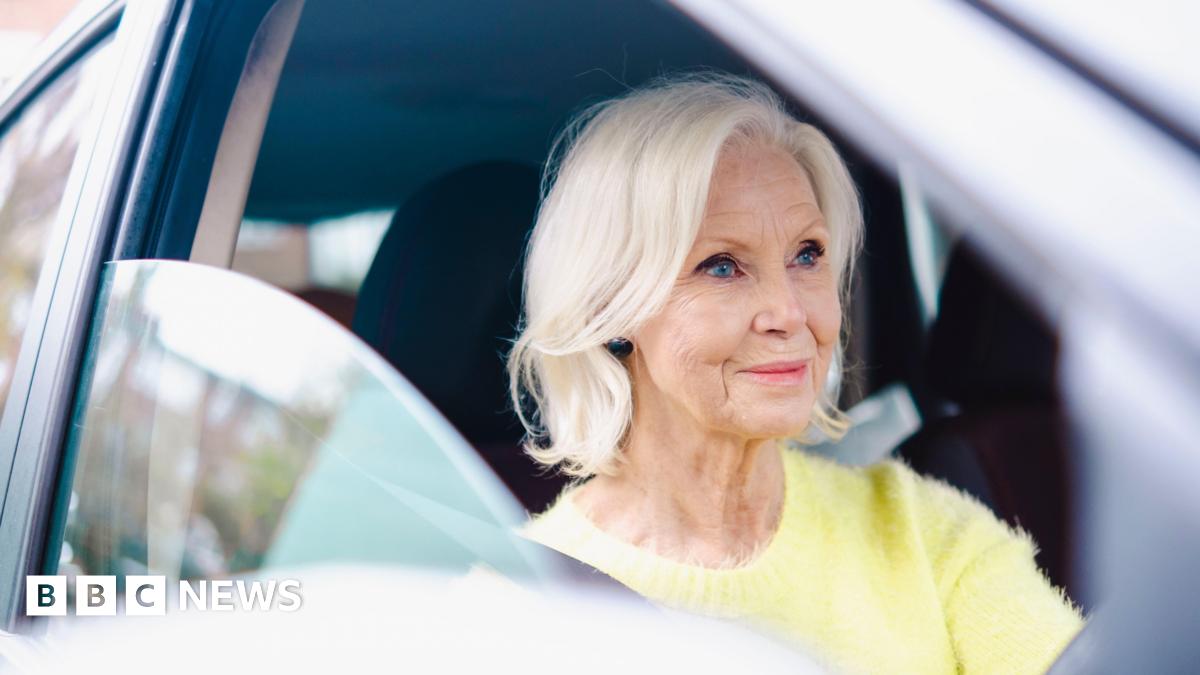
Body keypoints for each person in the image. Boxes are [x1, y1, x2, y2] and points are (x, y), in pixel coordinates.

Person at [507, 72, 1085, 673]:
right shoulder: (521, 605)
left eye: (807, 255)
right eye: (723, 266)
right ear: (610, 308)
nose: (790, 312)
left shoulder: (929, 533)